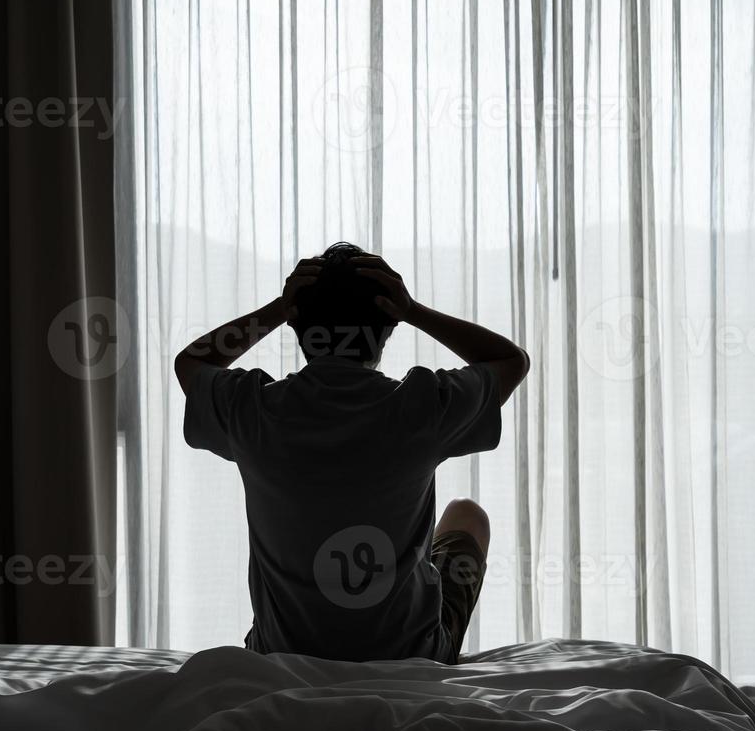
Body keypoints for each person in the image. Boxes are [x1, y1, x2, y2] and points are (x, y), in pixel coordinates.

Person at [174, 242, 530, 663]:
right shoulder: (421, 405)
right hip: (411, 653)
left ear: (298, 326)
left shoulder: (255, 408)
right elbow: (510, 360)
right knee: (468, 513)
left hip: (283, 650)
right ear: (387, 328)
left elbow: (191, 364)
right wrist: (413, 310)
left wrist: (277, 309)